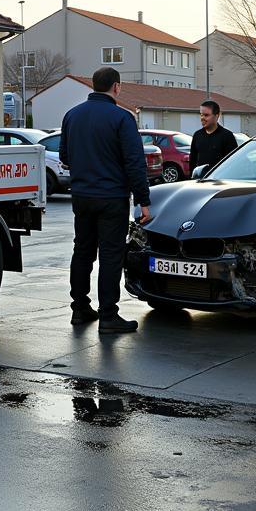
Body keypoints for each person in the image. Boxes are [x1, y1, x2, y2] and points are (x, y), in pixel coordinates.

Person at [59, 66, 150, 333]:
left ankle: (79, 309)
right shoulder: (122, 118)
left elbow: (64, 156)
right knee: (111, 256)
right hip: (111, 197)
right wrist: (143, 200)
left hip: (82, 196)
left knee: (82, 251)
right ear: (117, 87)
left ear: (93, 86)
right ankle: (108, 315)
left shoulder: (72, 115)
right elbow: (135, 163)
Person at [188, 99, 238, 174]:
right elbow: (192, 161)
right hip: (200, 181)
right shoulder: (197, 135)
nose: (202, 118)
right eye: (201, 115)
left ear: (217, 116)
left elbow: (233, 162)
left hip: (220, 181)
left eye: (206, 115)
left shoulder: (227, 136)